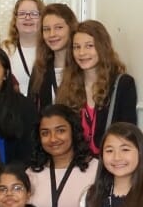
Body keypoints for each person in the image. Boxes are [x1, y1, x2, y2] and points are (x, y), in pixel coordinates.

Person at [57, 20, 137, 154]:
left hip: (108, 167)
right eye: (77, 47)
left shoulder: (123, 84)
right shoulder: (67, 86)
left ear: (102, 47)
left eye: (89, 46)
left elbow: (128, 134)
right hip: (76, 166)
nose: (82, 53)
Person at [29, 3, 77, 109]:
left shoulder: (81, 67)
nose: (52, 34)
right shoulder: (39, 69)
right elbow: (31, 110)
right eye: (46, 29)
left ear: (71, 29)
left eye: (58, 27)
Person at [5, 0, 43, 96]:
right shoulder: (5, 49)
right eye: (22, 14)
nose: (27, 17)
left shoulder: (51, 50)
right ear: (15, 19)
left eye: (34, 14)